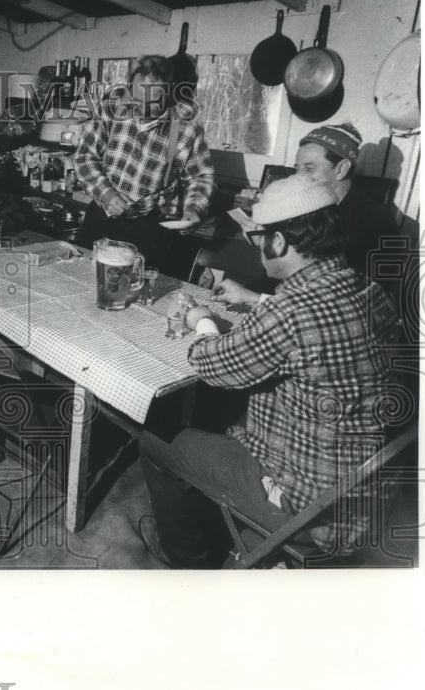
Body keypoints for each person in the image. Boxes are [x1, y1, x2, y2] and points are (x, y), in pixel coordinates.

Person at [136, 175, 403, 568]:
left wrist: (202, 320)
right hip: (365, 494)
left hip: (313, 513)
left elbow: (211, 363)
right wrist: (258, 302)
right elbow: (308, 330)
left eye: (255, 238)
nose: (257, 248)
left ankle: (186, 561)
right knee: (225, 417)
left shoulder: (290, 313)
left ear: (277, 242)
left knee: (156, 437)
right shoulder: (370, 290)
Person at [209, 122, 402, 304]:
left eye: (309, 169)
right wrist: (263, 241)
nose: (298, 177)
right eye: (297, 169)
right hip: (279, 295)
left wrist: (253, 298)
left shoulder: (376, 225)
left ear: (341, 169)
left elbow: (346, 305)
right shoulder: (305, 206)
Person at [74, 54, 215, 275]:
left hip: (150, 229)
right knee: (83, 284)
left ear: (168, 91)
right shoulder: (112, 104)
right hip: (102, 217)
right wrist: (106, 193)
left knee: (137, 297)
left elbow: (201, 177)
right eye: (138, 100)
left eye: (153, 102)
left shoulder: (185, 124)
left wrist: (193, 207)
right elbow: (84, 156)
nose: (144, 110)